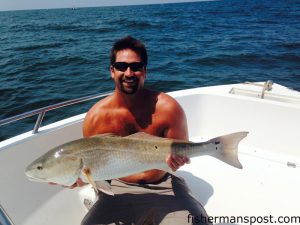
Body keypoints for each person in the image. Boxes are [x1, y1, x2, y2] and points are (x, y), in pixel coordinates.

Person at [77, 36, 210, 225]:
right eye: (122, 66)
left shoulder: (168, 109)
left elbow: (179, 156)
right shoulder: (95, 118)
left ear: (145, 72)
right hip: (116, 188)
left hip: (164, 184)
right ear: (112, 71)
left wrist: (176, 162)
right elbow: (92, 171)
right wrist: (78, 179)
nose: (129, 73)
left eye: (136, 67)